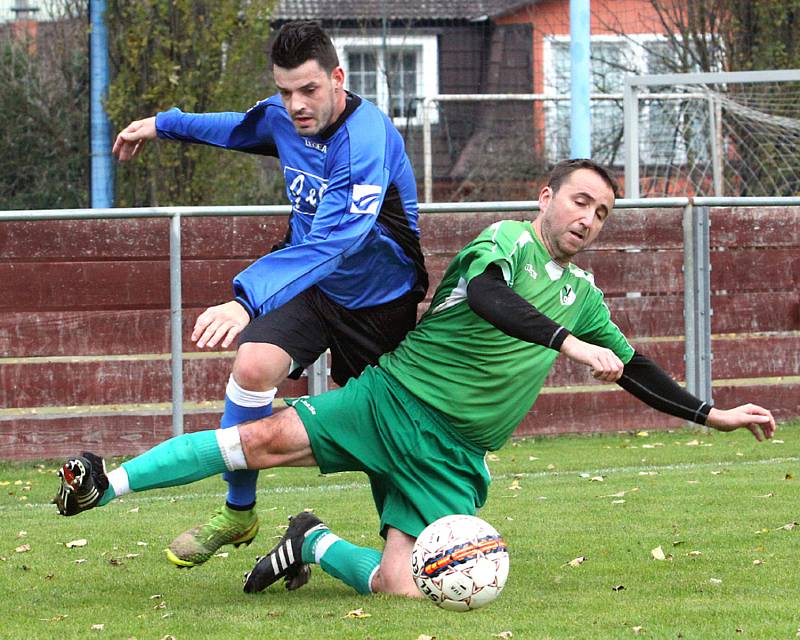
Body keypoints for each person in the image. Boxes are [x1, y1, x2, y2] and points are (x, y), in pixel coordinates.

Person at [54, 159, 775, 599]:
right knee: (258, 438)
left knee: (402, 585)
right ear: (546, 196)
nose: (589, 218)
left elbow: (638, 369)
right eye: (580, 200)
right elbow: (492, 298)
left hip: (454, 457)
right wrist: (570, 346)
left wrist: (712, 414)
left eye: (603, 213)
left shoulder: (584, 297)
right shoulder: (507, 241)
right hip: (393, 400)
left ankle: (309, 542)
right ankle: (101, 486)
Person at [110, 21, 428, 568]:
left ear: (337, 78)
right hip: (311, 287)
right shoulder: (284, 116)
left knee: (390, 438)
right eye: (285, 91)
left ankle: (413, 544)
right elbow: (239, 126)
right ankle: (238, 512)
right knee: (252, 367)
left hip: (379, 304)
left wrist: (246, 298)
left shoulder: (367, 137)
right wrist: (162, 125)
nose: (296, 104)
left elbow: (335, 241)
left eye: (308, 89)